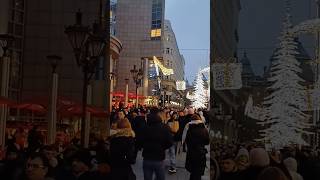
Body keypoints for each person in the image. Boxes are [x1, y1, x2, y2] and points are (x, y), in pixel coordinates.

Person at [137, 109, 173, 180]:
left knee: (147, 177)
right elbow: (170, 142)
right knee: (160, 177)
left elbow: (139, 141)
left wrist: (144, 146)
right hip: (159, 157)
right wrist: (163, 147)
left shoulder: (144, 127)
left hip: (147, 157)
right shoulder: (165, 127)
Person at [184, 114, 209, 180]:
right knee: (198, 173)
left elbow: (186, 140)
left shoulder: (189, 128)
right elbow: (207, 142)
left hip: (191, 152)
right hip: (201, 152)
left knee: (193, 172)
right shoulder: (204, 129)